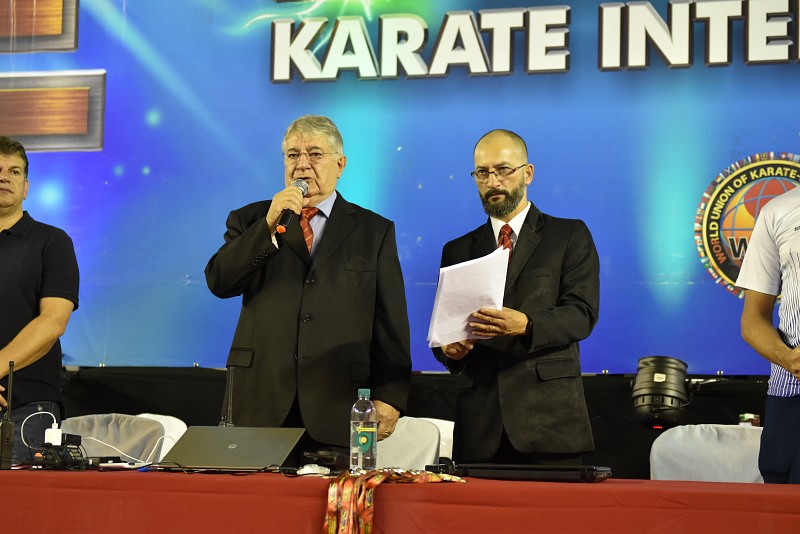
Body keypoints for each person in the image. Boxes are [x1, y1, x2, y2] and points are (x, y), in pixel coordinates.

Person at [205, 115, 411, 460]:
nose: (302, 165)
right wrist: (267, 225)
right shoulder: (251, 220)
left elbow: (390, 322)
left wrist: (390, 396)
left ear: (340, 164)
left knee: (334, 496)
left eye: (315, 154)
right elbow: (220, 282)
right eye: (292, 155)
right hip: (260, 401)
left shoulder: (374, 231)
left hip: (338, 404)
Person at [433, 129, 600, 465]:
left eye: (503, 170)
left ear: (528, 173)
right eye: (482, 173)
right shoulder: (457, 250)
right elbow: (445, 331)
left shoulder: (568, 235)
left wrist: (526, 324)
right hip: (479, 427)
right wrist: (449, 350)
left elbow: (582, 314)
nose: (493, 181)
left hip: (550, 423)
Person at [0, 136, 79, 464]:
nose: (5, 177)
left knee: (19, 498)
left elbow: (53, 322)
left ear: (26, 188)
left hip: (26, 409)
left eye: (14, 171)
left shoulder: (52, 242)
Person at [736, 186, 800, 484]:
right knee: (787, 506)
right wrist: (788, 358)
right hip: (792, 396)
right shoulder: (778, 211)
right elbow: (753, 319)